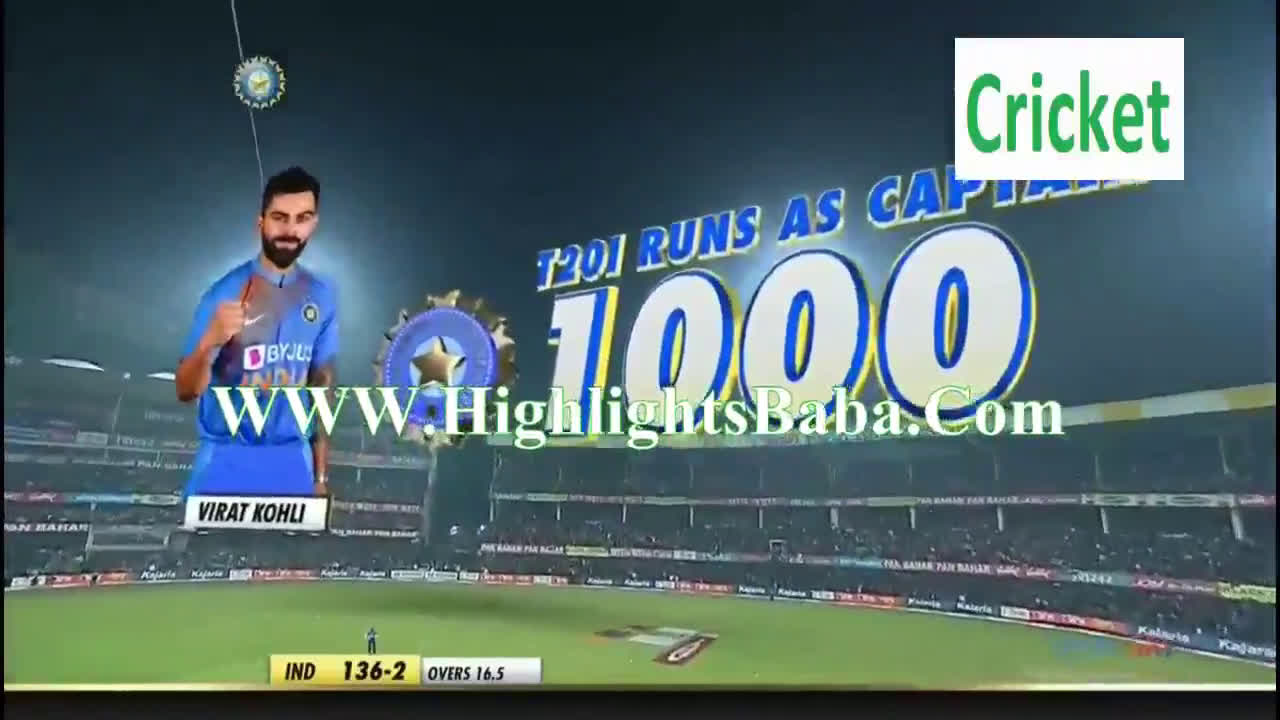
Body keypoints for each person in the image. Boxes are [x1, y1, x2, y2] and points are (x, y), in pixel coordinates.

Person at [175, 167, 338, 498]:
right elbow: (185, 390)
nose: (290, 230)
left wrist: (320, 475)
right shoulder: (223, 293)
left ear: (314, 224)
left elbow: (322, 388)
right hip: (225, 461)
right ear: (260, 222)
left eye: (302, 218)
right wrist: (210, 342)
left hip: (293, 464)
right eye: (280, 217)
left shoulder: (321, 296)